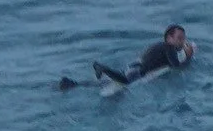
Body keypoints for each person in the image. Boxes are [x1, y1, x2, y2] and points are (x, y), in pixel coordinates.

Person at [57, 25, 195, 91]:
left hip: (134, 66)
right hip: (138, 71)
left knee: (104, 83)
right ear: (169, 38)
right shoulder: (168, 47)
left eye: (183, 38)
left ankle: (72, 84)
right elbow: (175, 66)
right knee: (124, 81)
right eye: (179, 38)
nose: (182, 41)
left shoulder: (159, 45)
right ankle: (102, 67)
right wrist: (188, 57)